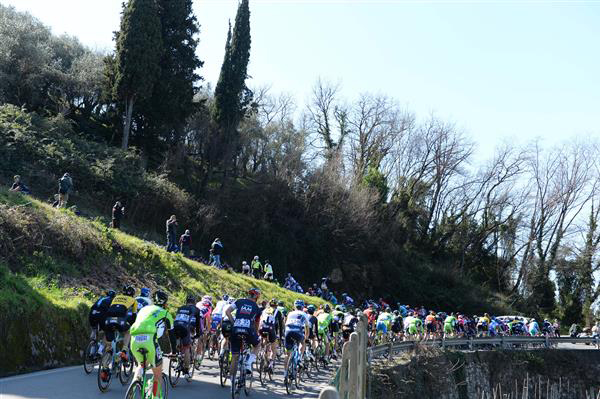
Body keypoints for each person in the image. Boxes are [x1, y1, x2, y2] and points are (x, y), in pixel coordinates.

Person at [130, 291, 173, 399]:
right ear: (165, 303)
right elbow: (172, 336)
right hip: (150, 340)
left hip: (134, 339)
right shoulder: (166, 313)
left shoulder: (144, 309)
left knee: (142, 365)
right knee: (157, 374)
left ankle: (135, 383)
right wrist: (174, 352)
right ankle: (155, 396)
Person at [225, 288, 262, 378]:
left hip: (236, 328)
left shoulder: (239, 301)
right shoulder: (257, 308)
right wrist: (256, 333)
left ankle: (232, 382)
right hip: (248, 330)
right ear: (257, 297)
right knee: (257, 345)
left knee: (235, 356)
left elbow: (227, 311)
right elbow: (256, 323)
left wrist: (234, 323)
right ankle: (249, 362)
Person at [103, 285, 138, 360]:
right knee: (128, 331)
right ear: (133, 294)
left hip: (108, 319)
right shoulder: (134, 300)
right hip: (120, 320)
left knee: (108, 340)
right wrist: (132, 324)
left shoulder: (116, 297)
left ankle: (105, 367)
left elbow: (112, 308)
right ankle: (124, 350)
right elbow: (134, 315)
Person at [171, 295, 201, 379]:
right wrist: (198, 334)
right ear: (194, 302)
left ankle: (175, 359)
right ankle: (186, 370)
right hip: (185, 328)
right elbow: (198, 324)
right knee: (187, 347)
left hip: (175, 326)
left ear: (186, 301)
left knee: (178, 342)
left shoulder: (180, 308)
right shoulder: (196, 309)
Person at [283, 300, 310, 381]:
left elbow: (285, 323)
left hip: (288, 332)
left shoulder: (290, 313)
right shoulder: (304, 314)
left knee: (287, 354)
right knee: (303, 342)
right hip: (297, 332)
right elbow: (307, 328)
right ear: (302, 307)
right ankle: (300, 358)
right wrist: (306, 338)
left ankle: (285, 373)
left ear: (295, 306)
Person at [88, 290, 116, 354]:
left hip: (92, 314)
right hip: (101, 315)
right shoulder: (112, 300)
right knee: (107, 331)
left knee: (94, 329)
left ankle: (92, 348)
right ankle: (100, 349)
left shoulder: (101, 298)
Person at [258, 298, 282, 371]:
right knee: (273, 348)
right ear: (276, 305)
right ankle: (271, 363)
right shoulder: (278, 312)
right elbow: (280, 325)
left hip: (262, 328)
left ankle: (262, 353)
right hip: (271, 329)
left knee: (264, 342)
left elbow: (260, 320)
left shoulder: (264, 310)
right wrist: (280, 336)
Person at [195, 295, 213, 366]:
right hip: (199, 321)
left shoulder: (198, 303)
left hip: (191, 319)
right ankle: (198, 358)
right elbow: (208, 320)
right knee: (200, 340)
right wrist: (208, 330)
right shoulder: (208, 307)